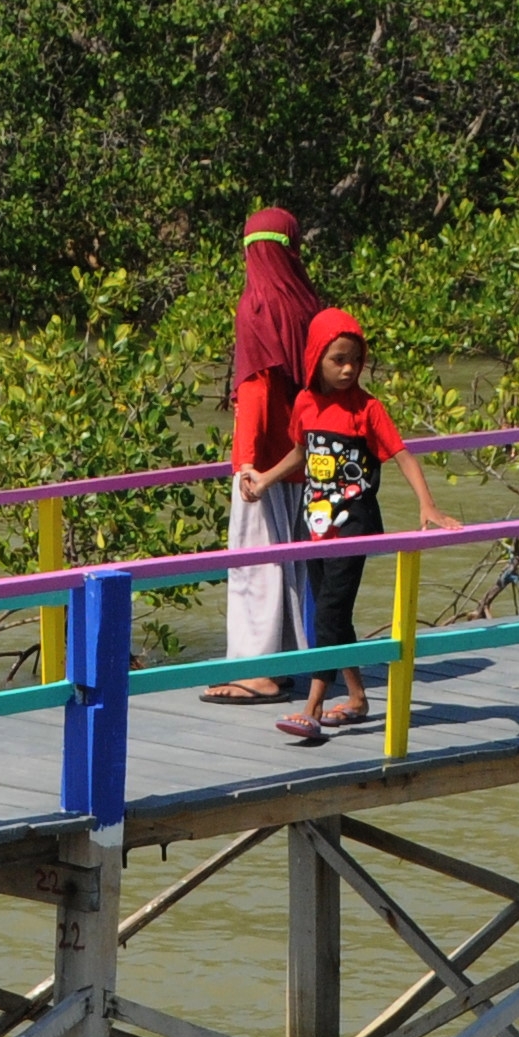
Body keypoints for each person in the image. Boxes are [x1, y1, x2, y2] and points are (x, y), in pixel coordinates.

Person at [255, 307, 456, 745]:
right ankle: (359, 698)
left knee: (327, 611)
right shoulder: (306, 403)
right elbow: (300, 452)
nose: (348, 369)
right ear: (316, 361)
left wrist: (428, 505)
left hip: (354, 523)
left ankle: (313, 708)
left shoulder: (368, 409)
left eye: (355, 361)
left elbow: (401, 454)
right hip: (313, 523)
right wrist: (266, 478)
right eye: (338, 360)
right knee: (334, 614)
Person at [202, 205, 329, 704]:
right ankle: (289, 658)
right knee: (293, 563)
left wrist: (247, 466)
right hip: (301, 462)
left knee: (254, 565)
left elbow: (255, 389)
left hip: (263, 463)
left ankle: (255, 673)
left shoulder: (256, 305)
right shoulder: (307, 306)